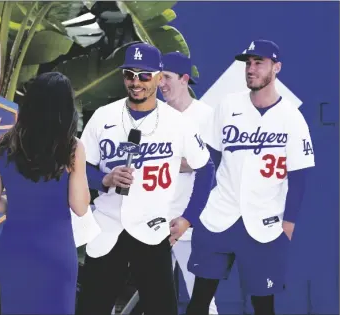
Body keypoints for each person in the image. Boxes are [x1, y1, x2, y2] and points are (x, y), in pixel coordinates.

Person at [76, 42, 215, 315]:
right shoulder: (104, 117)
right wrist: (104, 180)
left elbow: (206, 168)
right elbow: (81, 170)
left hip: (152, 230)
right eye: (129, 74)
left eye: (144, 75)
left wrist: (189, 217)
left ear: (159, 77)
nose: (135, 82)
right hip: (108, 226)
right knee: (91, 308)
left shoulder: (179, 123)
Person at [185, 39, 315, 315]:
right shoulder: (228, 105)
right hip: (219, 216)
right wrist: (198, 208)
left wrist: (288, 224)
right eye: (248, 63)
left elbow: (299, 176)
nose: (251, 69)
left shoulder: (291, 117)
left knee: (263, 306)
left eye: (259, 63)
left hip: (264, 222)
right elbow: (210, 162)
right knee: (199, 302)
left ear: (276, 67)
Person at [0, 72, 90, 314]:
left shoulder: (2, 145)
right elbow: (80, 206)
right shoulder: (72, 147)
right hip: (55, 251)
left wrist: (21, 204)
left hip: (15, 250)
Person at [159, 51, 218, 314]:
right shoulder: (154, 116)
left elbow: (209, 166)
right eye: (159, 78)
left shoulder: (207, 116)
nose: (161, 84)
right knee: (153, 298)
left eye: (167, 77)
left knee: (202, 301)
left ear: (184, 79)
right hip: (154, 224)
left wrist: (172, 161)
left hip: (191, 226)